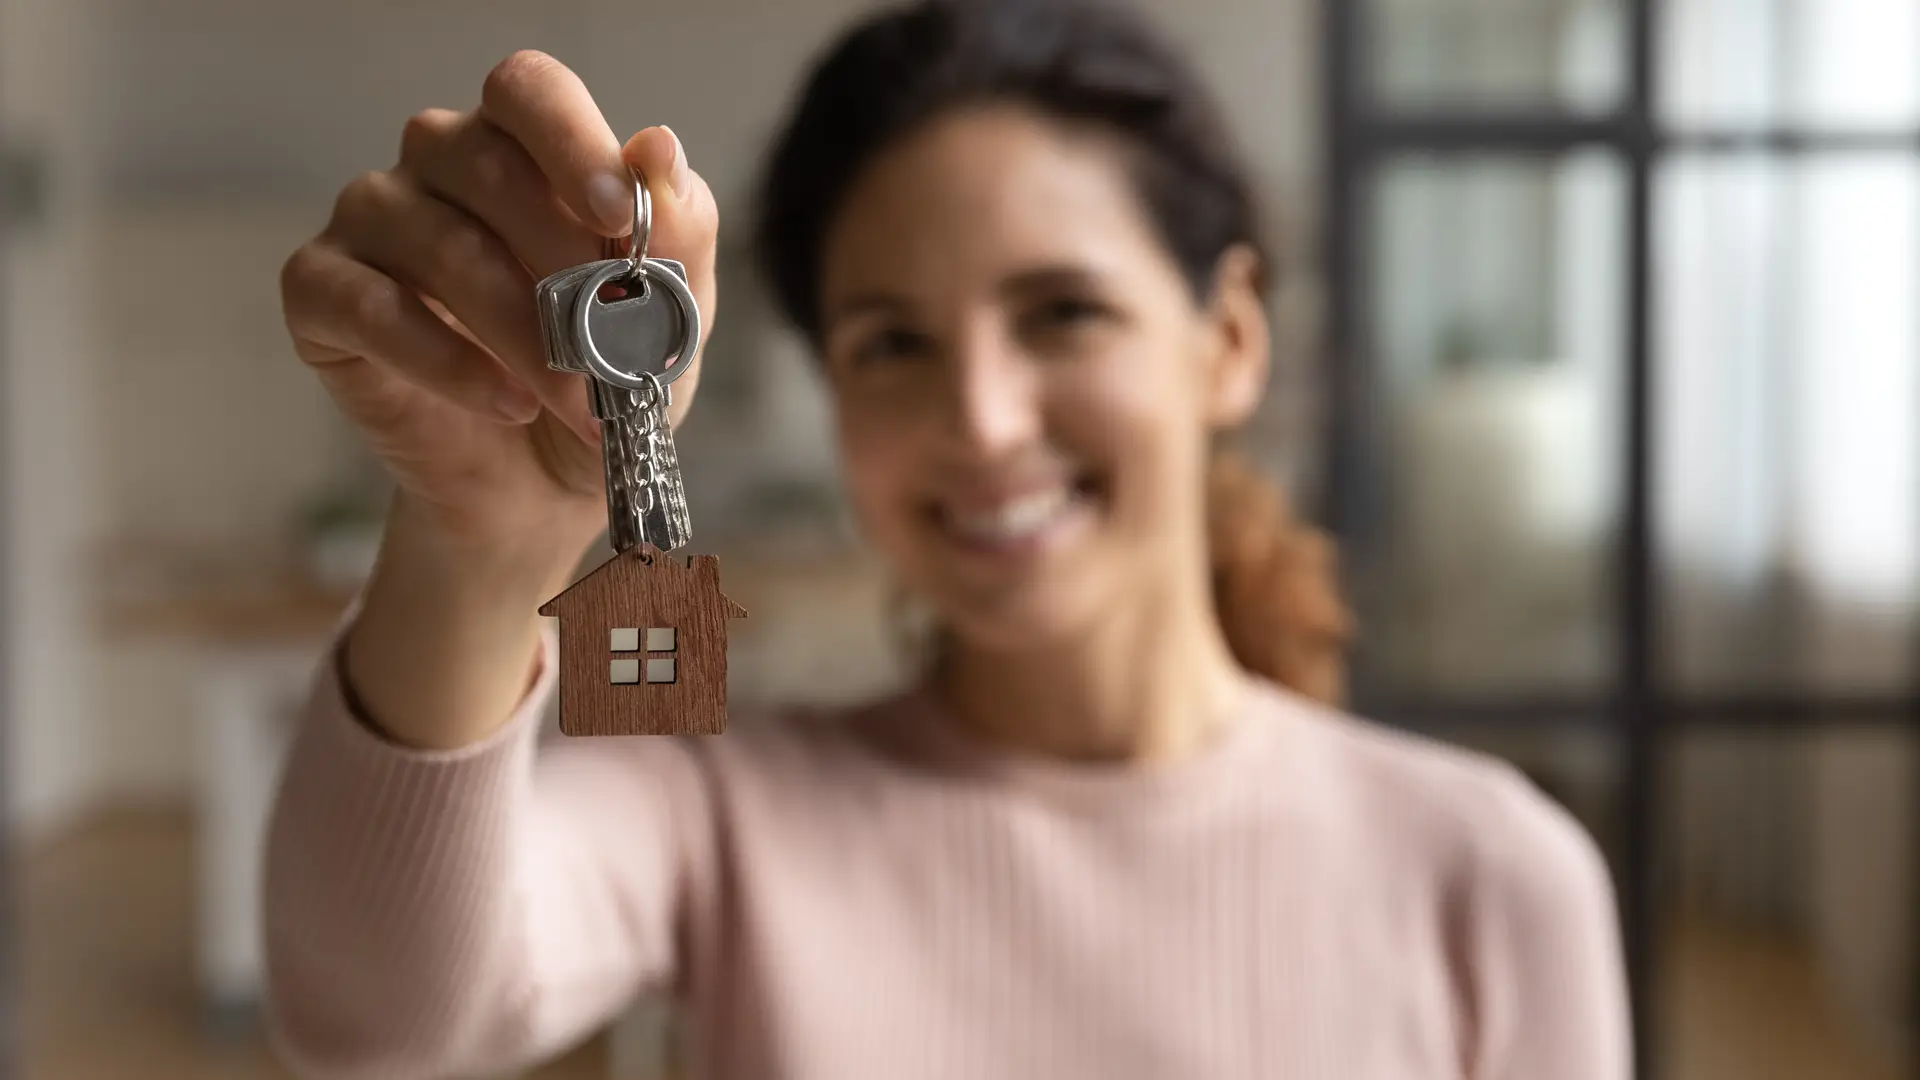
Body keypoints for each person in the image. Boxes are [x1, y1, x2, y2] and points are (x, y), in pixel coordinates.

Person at [264, 1, 1630, 1077]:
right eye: (894, 344)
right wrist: (480, 545)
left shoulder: (1494, 876)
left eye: (1063, 314)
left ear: (1227, 337)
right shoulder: (718, 815)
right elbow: (375, 1021)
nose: (981, 420)